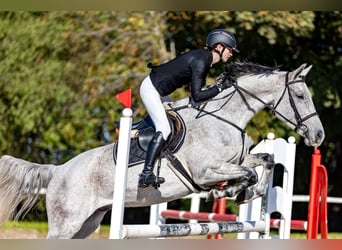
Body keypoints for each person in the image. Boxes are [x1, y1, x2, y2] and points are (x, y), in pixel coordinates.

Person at [138, 28, 239, 188]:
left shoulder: (204, 58)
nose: (231, 53)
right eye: (230, 50)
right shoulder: (201, 61)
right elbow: (197, 96)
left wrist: (219, 86)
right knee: (164, 129)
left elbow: (199, 96)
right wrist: (220, 88)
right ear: (219, 47)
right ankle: (146, 174)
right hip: (151, 90)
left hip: (160, 92)